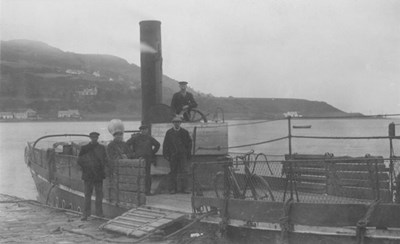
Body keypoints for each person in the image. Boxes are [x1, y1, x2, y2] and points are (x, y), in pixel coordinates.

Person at [77, 132, 107, 221]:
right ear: (90, 138)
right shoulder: (85, 148)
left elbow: (105, 160)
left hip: (98, 175)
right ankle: (86, 214)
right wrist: (87, 167)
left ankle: (99, 213)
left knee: (99, 195)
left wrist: (102, 168)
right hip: (88, 175)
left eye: (96, 137)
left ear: (97, 138)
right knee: (87, 195)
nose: (94, 139)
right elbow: (79, 160)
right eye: (93, 137)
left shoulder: (102, 148)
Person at [126, 125, 160, 195]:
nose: (143, 131)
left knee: (147, 175)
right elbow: (127, 144)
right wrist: (132, 154)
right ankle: (138, 191)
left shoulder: (150, 138)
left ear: (147, 130)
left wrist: (152, 153)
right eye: (142, 129)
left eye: (145, 129)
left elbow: (157, 144)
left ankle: (147, 191)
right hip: (138, 159)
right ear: (140, 130)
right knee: (138, 175)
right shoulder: (135, 138)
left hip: (147, 159)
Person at [162, 116, 192, 194]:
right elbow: (166, 144)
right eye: (175, 122)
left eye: (178, 122)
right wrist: (166, 155)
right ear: (173, 123)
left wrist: (187, 153)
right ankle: (172, 189)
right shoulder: (169, 132)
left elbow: (189, 144)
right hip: (173, 155)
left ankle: (185, 189)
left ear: (180, 123)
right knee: (173, 172)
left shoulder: (185, 132)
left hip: (183, 155)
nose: (177, 124)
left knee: (184, 171)